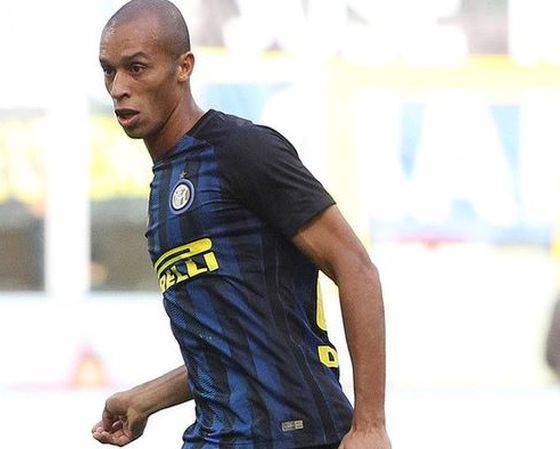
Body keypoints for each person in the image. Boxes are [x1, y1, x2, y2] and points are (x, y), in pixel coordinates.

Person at [92, 1, 391, 448]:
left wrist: (369, 424)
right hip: (219, 436)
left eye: (137, 68)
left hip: (295, 434)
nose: (119, 88)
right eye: (109, 71)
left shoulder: (242, 150)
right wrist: (148, 397)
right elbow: (237, 342)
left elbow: (356, 267)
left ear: (183, 67)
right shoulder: (164, 186)